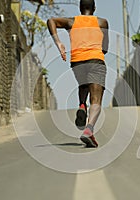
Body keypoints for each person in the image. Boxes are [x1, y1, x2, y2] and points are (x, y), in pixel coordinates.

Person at [47, 0, 109, 148]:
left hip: (77, 61)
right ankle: (89, 130)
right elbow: (105, 48)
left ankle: (82, 105)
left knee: (83, 85)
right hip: (95, 60)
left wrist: (59, 43)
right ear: (94, 8)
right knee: (96, 99)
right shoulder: (102, 22)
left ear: (80, 8)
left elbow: (51, 21)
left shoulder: (71, 21)